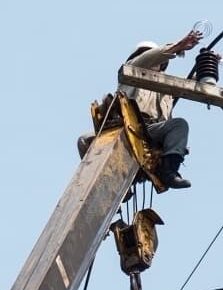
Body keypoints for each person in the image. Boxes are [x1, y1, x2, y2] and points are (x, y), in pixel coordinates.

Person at [78, 30, 204, 189]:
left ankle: (169, 172)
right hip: (128, 126)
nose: (151, 58)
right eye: (146, 54)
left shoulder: (167, 85)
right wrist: (178, 46)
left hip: (153, 131)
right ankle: (103, 182)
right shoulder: (132, 69)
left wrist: (208, 64)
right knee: (84, 140)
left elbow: (193, 84)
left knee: (179, 125)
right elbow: (150, 57)